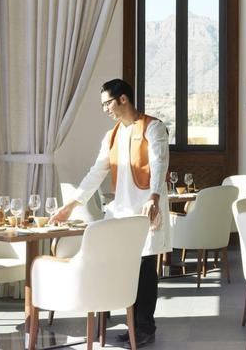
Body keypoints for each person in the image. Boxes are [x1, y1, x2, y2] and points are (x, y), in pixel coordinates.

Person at [51, 78, 169, 348]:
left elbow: (159, 163)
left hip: (146, 209)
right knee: (121, 268)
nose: (105, 109)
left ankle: (144, 329)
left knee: (144, 269)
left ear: (123, 99)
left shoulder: (154, 128)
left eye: (107, 103)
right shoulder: (112, 135)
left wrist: (153, 197)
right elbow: (97, 171)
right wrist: (72, 204)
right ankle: (126, 325)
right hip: (121, 212)